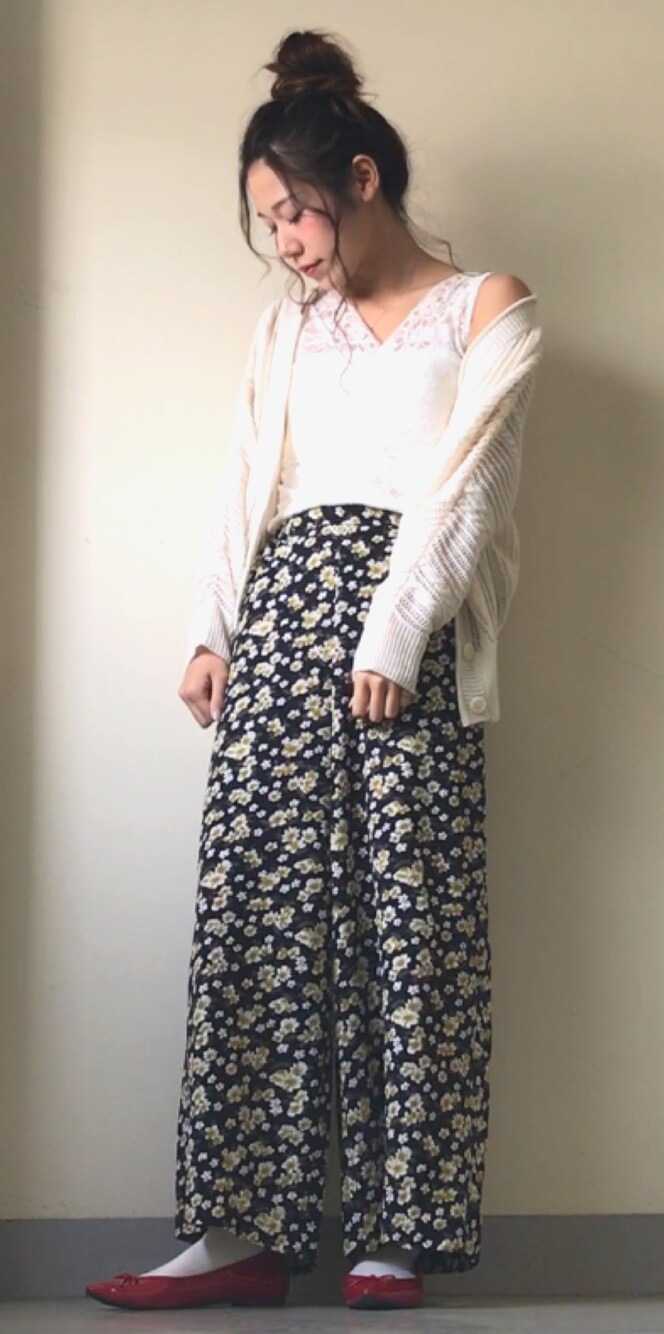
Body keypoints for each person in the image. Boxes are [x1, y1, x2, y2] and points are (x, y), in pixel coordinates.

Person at [86, 26, 543, 1314]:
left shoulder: (490, 304)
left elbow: (471, 487)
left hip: (415, 638)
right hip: (283, 625)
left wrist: (394, 631)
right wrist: (212, 630)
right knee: (257, 918)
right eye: (267, 223)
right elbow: (248, 481)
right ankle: (239, 1234)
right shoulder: (288, 331)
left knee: (412, 922)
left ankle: (395, 1233)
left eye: (293, 213)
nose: (285, 242)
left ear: (360, 180)